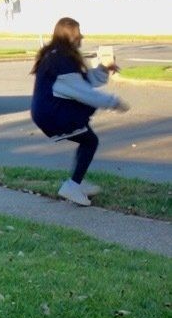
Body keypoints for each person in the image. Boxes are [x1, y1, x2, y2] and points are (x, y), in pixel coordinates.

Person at [30, 17, 129, 207]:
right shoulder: (61, 60)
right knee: (90, 141)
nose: (81, 36)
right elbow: (83, 92)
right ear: (70, 36)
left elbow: (81, 82)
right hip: (54, 113)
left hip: (49, 110)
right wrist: (114, 102)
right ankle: (73, 185)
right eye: (78, 33)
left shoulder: (58, 55)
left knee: (88, 140)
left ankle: (76, 182)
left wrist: (103, 70)